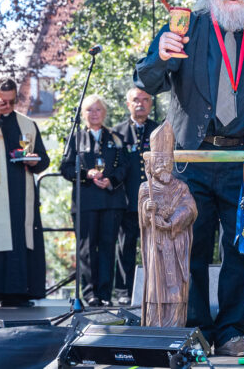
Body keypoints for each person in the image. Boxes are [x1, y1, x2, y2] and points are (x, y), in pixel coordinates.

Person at [135, 0, 244, 357]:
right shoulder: (183, 28)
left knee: (240, 249)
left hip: (243, 158)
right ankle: (194, 330)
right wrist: (160, 56)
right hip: (191, 157)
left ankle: (230, 331)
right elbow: (147, 80)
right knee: (189, 246)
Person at [0, 77, 51, 307]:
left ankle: (18, 292)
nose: (7, 106)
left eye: (11, 102)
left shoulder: (27, 124)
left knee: (18, 240)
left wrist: (35, 161)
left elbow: (44, 159)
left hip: (20, 193)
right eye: (2, 101)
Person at [60, 94, 129, 306]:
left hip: (111, 200)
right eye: (89, 110)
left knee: (108, 247)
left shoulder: (116, 138)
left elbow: (124, 166)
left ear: (104, 113)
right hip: (86, 201)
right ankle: (90, 294)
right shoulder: (75, 138)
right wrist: (85, 174)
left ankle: (105, 294)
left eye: (98, 109)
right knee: (86, 250)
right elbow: (65, 168)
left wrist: (111, 180)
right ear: (83, 114)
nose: (94, 113)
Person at [139, 122, 198, 327]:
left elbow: (190, 209)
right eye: (159, 161)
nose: (163, 165)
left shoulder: (181, 187)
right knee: (156, 286)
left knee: (176, 288)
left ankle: (175, 324)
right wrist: (147, 208)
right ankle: (155, 324)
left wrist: (173, 221)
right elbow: (144, 216)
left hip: (175, 242)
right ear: (150, 163)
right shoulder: (146, 188)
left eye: (167, 161)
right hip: (156, 245)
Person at [111, 87, 160, 306]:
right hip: (128, 199)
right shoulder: (117, 132)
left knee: (155, 248)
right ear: (128, 104)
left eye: (145, 99)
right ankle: (124, 290)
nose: (140, 103)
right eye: (136, 100)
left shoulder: (158, 130)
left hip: (154, 201)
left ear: (151, 104)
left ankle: (155, 289)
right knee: (125, 247)